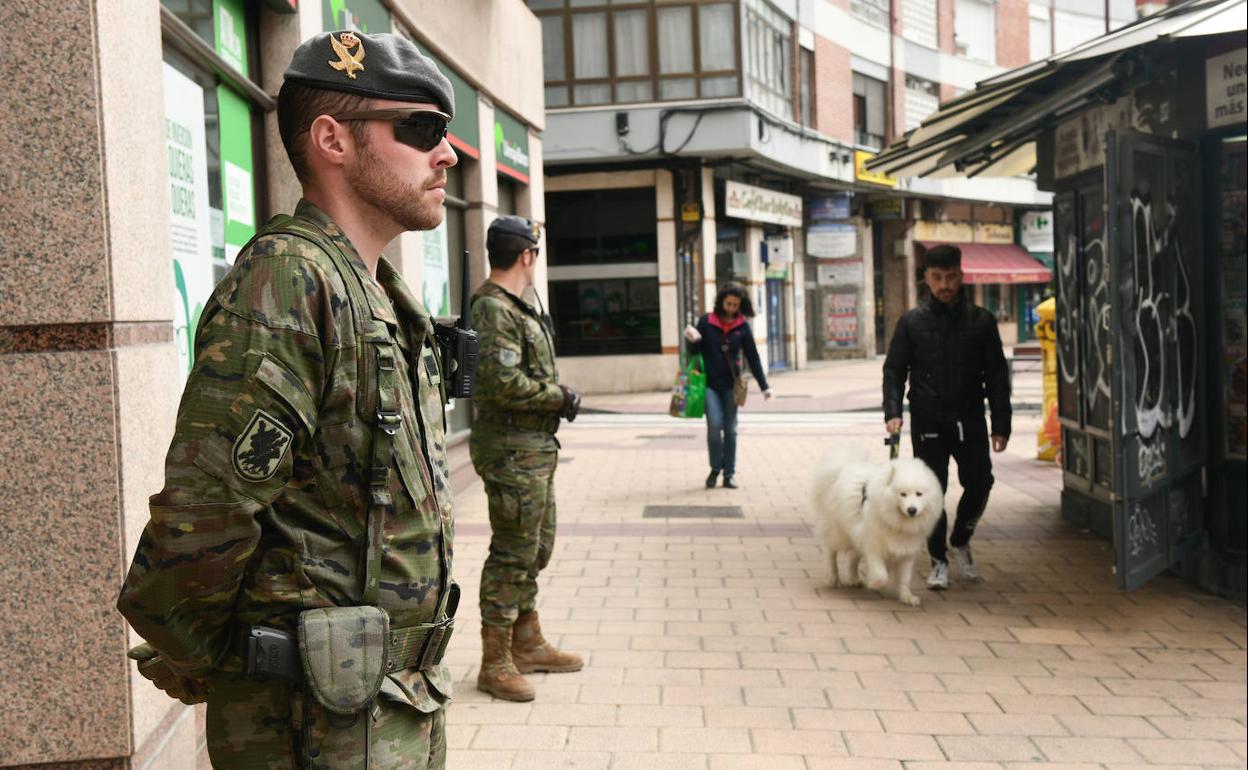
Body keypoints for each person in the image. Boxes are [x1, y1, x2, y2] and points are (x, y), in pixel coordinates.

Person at [117, 31, 461, 768]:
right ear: (333, 139)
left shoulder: (379, 297)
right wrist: (207, 659)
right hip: (310, 727)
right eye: (422, 130)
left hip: (391, 703)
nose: (448, 154)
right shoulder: (289, 282)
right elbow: (207, 511)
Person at [470, 215, 583, 702]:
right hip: (512, 451)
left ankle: (528, 641)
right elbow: (500, 383)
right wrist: (557, 396)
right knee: (512, 553)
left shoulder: (517, 307)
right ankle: (494, 662)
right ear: (526, 256)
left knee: (536, 547)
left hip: (534, 449)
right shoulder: (494, 309)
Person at [882, 244, 1011, 590]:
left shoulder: (981, 321)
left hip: (970, 418)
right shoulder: (911, 322)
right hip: (928, 420)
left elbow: (997, 375)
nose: (945, 285)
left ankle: (961, 539)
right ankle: (938, 559)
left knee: (981, 482)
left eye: (951, 277)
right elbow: (894, 371)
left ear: (961, 275)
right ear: (926, 279)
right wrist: (893, 412)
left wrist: (1001, 423)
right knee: (931, 492)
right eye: (937, 278)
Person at [683, 284, 774, 489]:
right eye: (728, 303)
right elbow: (695, 351)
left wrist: (764, 386)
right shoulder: (706, 321)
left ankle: (729, 473)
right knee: (715, 425)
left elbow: (753, 357)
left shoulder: (742, 327)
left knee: (730, 430)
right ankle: (715, 468)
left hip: (731, 386)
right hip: (709, 384)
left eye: (736, 305)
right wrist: (692, 340)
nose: (732, 308)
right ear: (721, 302)